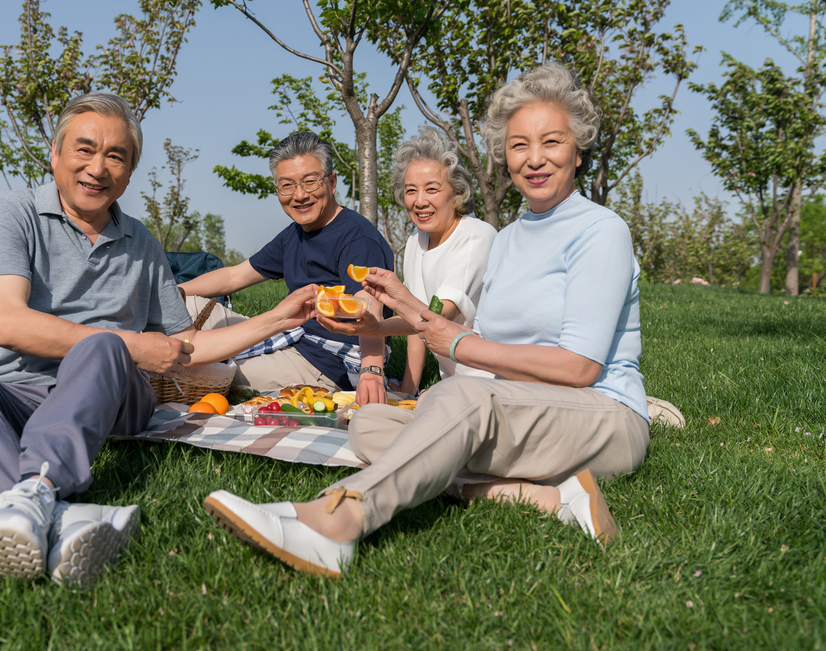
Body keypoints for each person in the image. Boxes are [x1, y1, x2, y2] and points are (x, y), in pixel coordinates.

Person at [202, 62, 651, 578]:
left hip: (602, 416)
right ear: (503, 154)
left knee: (459, 397)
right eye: (519, 145)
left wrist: (455, 346)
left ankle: (337, 520)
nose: (534, 159)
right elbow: (481, 337)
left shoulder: (601, 230)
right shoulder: (509, 239)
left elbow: (578, 368)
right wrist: (398, 313)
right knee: (372, 423)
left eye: (551, 142)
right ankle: (538, 496)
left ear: (577, 148)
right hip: (517, 408)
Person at [0, 92, 317, 588]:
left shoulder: (141, 242)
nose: (98, 168)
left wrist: (277, 319)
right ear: (55, 154)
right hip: (14, 392)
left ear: (130, 171)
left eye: (115, 156)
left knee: (103, 345)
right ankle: (27, 519)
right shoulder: (13, 212)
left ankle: (37, 487)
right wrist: (133, 343)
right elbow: (7, 324)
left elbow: (184, 347)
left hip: (113, 393)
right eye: (84, 150)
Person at [179, 131, 395, 405]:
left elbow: (369, 307)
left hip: (323, 360)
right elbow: (234, 275)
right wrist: (172, 291)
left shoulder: (357, 238)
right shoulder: (294, 234)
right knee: (184, 306)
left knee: (215, 373)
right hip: (287, 332)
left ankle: (155, 369)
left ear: (331, 182)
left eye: (310, 182)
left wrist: (372, 371)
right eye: (287, 186)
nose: (300, 195)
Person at [316, 126, 496, 401]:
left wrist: (375, 327)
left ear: (456, 192)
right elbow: (417, 324)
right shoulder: (416, 239)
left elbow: (437, 316)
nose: (420, 201)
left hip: (491, 379)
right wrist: (409, 389)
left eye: (432, 189)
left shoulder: (475, 237)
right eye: (411, 190)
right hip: (455, 381)